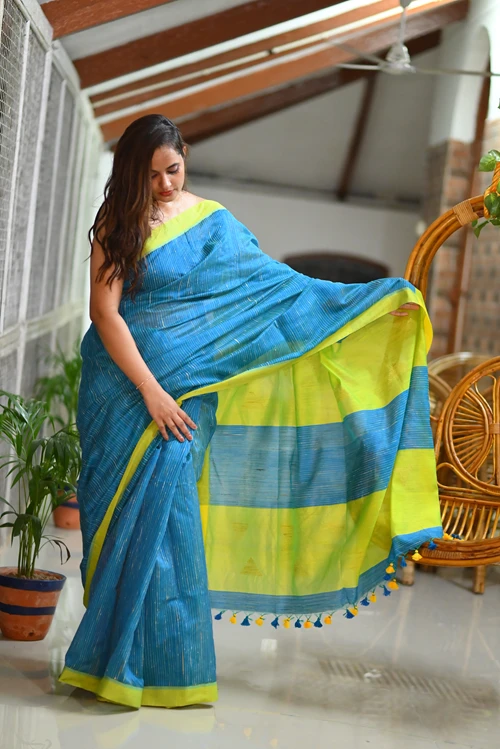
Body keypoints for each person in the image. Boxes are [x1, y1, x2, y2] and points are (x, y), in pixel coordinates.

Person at [59, 114, 442, 709]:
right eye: (151, 175)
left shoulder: (214, 224)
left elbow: (277, 291)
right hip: (123, 394)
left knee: (171, 524)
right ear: (131, 172)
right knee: (116, 529)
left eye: (172, 170)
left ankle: (166, 673)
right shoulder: (116, 223)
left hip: (190, 398)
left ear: (185, 157)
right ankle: (111, 662)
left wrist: (366, 302)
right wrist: (151, 391)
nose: (164, 185)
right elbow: (104, 313)